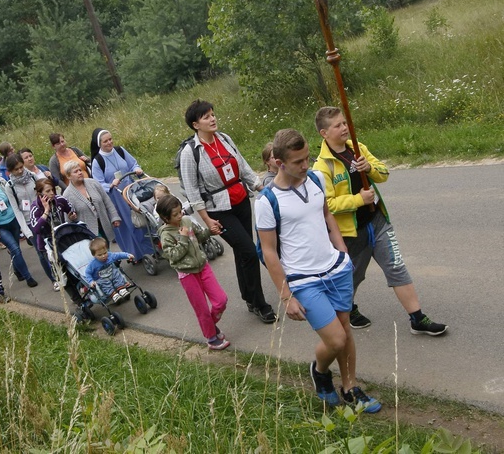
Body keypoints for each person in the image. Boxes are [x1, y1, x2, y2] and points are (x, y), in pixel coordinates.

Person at [255, 128, 381, 412]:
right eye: (298, 162)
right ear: (278, 161)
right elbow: (269, 252)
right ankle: (320, 371)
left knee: (345, 329)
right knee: (335, 338)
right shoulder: (266, 202)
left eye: (307, 158)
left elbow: (326, 214)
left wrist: (342, 252)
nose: (305, 165)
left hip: (335, 269)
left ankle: (350, 387)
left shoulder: (315, 178)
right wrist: (286, 297)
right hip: (304, 280)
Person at [312, 106, 448, 336]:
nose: (344, 128)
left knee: (395, 266)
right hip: (351, 232)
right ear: (324, 133)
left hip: (377, 220)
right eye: (337, 125)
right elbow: (328, 205)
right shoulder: (321, 167)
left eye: (345, 123)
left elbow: (384, 173)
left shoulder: (358, 148)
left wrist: (370, 168)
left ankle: (417, 318)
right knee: (352, 277)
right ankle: (349, 309)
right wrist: (357, 199)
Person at [178, 100, 275, 323]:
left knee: (244, 253)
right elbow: (192, 192)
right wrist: (206, 220)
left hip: (240, 201)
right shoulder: (189, 152)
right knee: (250, 251)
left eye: (212, 114)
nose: (212, 119)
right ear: (195, 124)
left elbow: (242, 166)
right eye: (206, 117)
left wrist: (261, 188)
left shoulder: (224, 138)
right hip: (217, 210)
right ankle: (260, 304)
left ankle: (249, 298)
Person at [157, 194, 230, 350]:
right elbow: (172, 257)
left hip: (203, 267)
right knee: (201, 309)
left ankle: (210, 325)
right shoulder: (166, 234)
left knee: (221, 300)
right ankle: (211, 338)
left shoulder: (187, 221)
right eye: (175, 215)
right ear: (165, 217)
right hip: (187, 275)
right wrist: (182, 239)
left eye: (180, 212)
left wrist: (211, 231)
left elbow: (201, 235)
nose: (180, 216)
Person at [89, 128, 154, 260]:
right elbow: (97, 183)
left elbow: (132, 164)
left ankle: (151, 248)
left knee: (142, 218)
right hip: (115, 197)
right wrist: (111, 184)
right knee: (127, 224)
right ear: (99, 144)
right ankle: (134, 254)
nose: (109, 142)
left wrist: (136, 169)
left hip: (131, 191)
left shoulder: (120, 150)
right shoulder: (98, 161)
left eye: (110, 139)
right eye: (105, 141)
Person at [30, 178, 78, 290]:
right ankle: (75, 298)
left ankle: (80, 288)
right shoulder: (35, 208)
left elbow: (70, 208)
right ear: (39, 193)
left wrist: (72, 215)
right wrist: (46, 211)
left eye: (52, 189)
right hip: (47, 245)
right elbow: (36, 228)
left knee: (72, 267)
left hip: (63, 239)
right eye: (47, 191)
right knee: (61, 274)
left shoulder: (59, 199)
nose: (52, 193)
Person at [62, 160, 121, 242]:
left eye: (80, 170)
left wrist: (114, 217)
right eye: (76, 172)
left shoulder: (93, 183)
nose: (80, 173)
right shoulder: (67, 194)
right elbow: (68, 221)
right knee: (101, 252)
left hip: (103, 226)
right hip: (87, 232)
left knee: (106, 251)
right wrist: (71, 218)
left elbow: (107, 201)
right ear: (68, 176)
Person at [85, 237, 134, 303]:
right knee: (104, 283)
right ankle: (113, 294)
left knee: (117, 274)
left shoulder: (110, 255)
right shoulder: (93, 264)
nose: (103, 256)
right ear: (94, 255)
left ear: (107, 250)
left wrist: (127, 255)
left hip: (111, 273)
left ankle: (121, 289)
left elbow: (118, 255)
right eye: (100, 255)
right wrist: (91, 281)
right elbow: (87, 273)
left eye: (105, 253)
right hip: (101, 278)